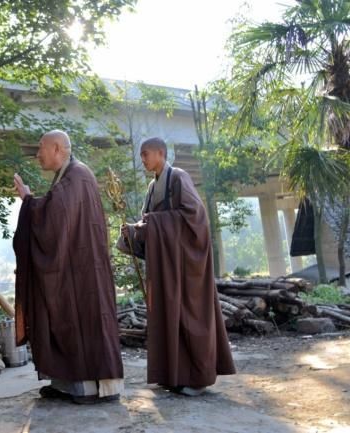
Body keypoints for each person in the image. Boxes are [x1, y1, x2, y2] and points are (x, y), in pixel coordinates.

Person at [13, 130, 124, 404]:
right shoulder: (68, 176)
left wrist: (29, 201)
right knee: (65, 319)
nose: (38, 154)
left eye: (41, 148)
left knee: (82, 322)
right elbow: (57, 216)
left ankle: (91, 388)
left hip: (84, 274)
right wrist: (31, 203)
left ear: (58, 149)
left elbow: (54, 217)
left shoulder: (78, 175)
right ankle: (66, 383)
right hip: (73, 268)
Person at [121, 137, 235, 396]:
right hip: (164, 267)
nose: (143, 160)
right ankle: (172, 376)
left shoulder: (178, 178)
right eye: (141, 155)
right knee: (166, 317)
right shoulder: (153, 187)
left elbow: (195, 218)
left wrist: (152, 224)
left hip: (185, 265)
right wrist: (134, 231)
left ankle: (197, 379)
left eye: (145, 154)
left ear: (161, 153)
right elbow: (150, 224)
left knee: (188, 316)